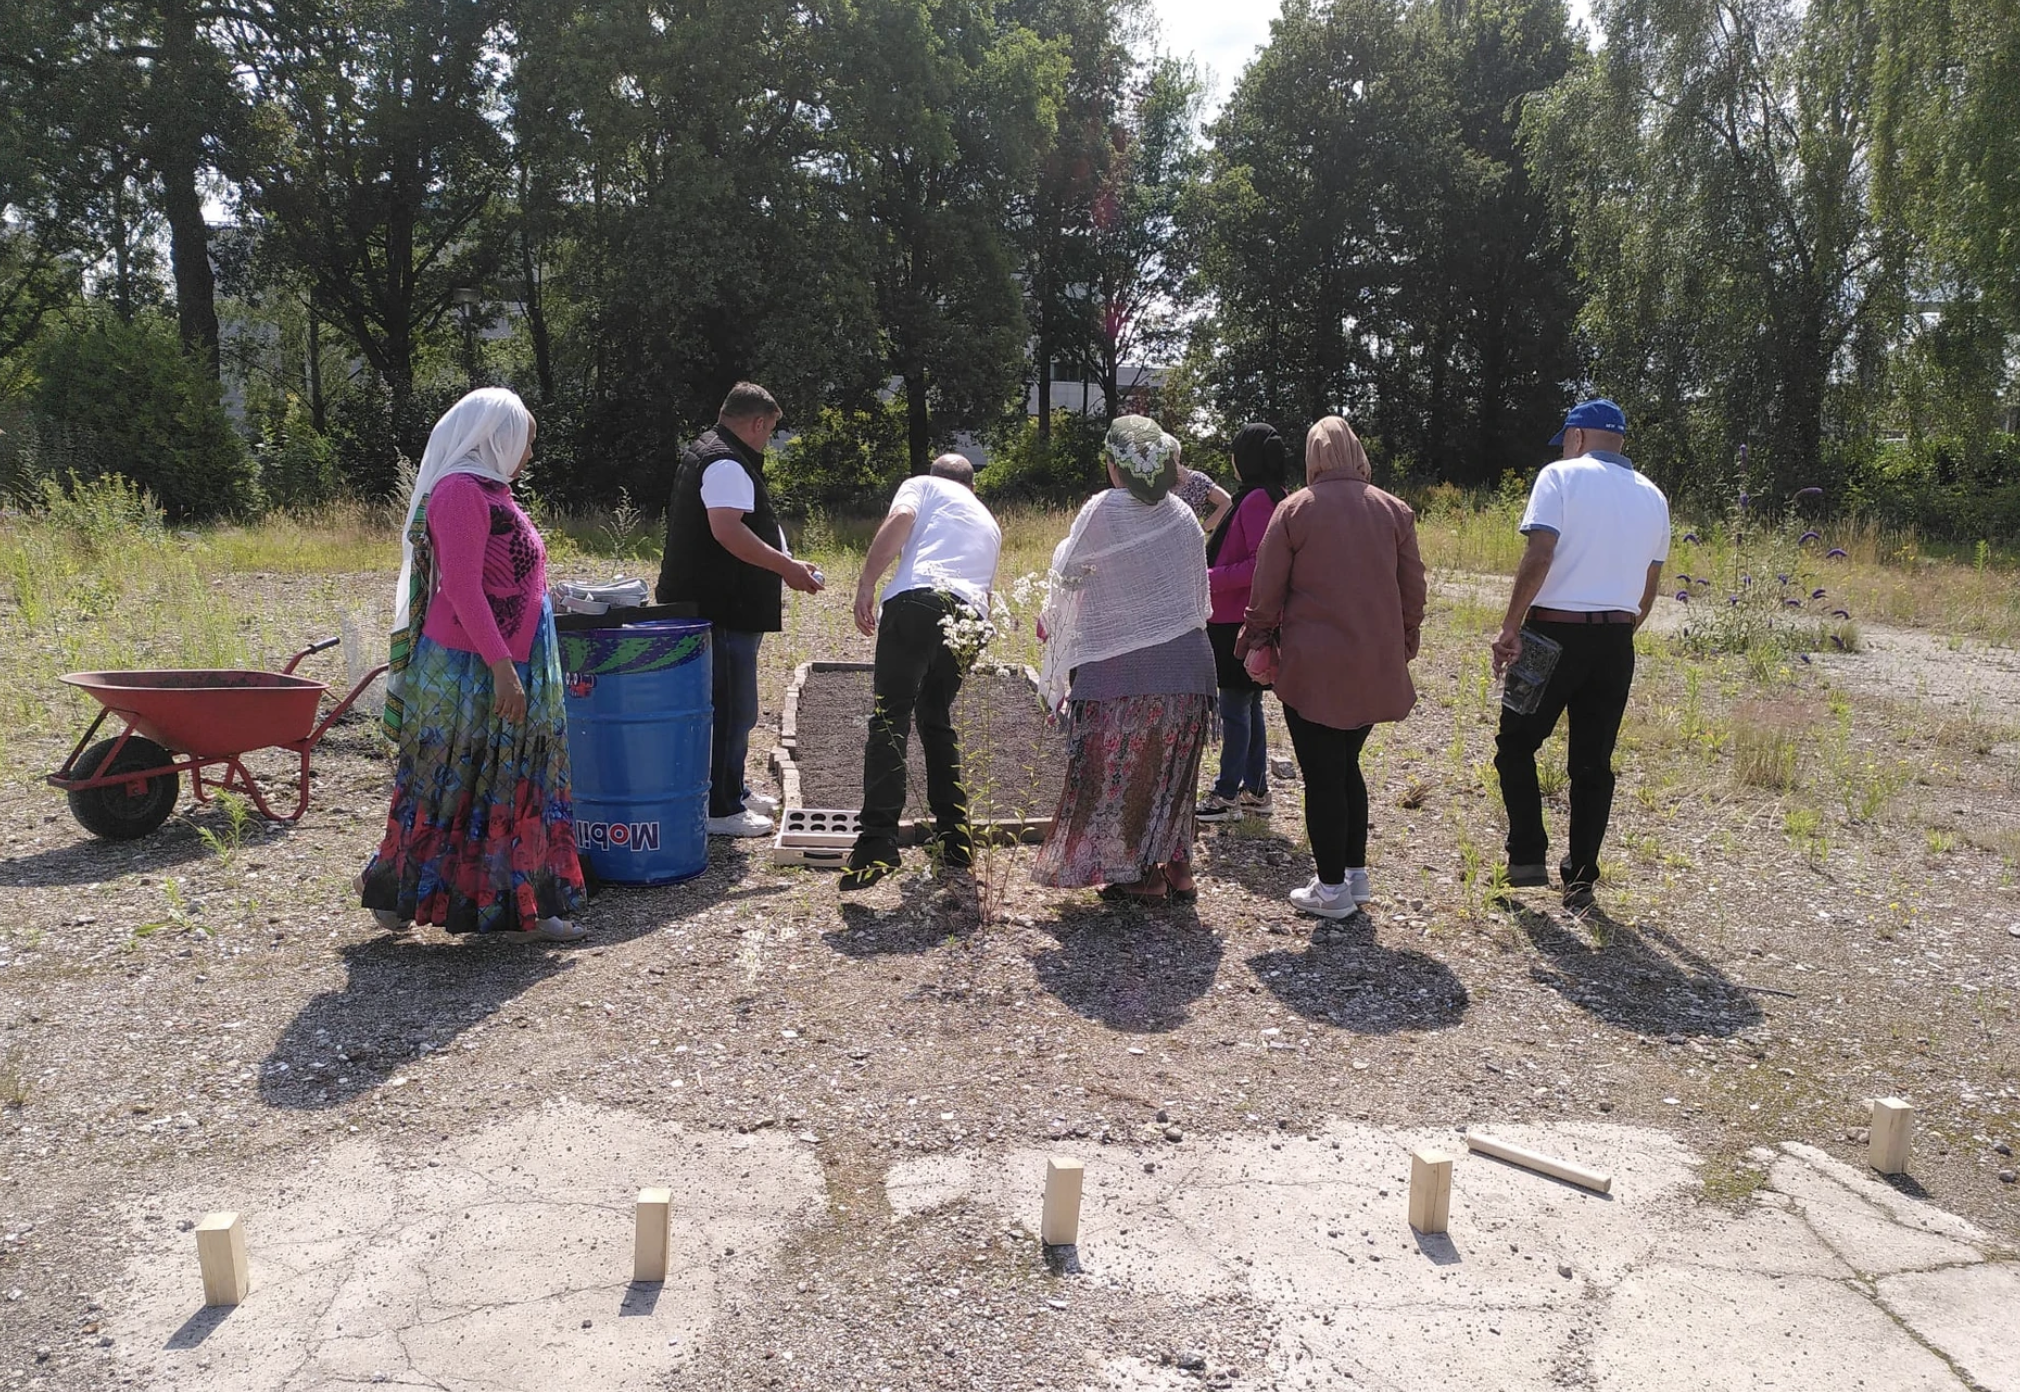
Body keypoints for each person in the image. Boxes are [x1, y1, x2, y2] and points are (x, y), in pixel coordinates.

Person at [360, 388, 587, 942]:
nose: (528, 454)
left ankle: (516, 906)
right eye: (525, 442)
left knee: (504, 784)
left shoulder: (492, 491)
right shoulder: (460, 492)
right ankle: (403, 896)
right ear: (497, 437)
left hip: (501, 661)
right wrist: (504, 668)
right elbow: (461, 588)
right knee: (453, 782)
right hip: (472, 669)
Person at [1237, 416, 1425, 921]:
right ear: (1358, 452)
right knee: (1345, 766)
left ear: (1312, 457)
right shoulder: (1395, 511)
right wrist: (1405, 642)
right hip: (1372, 662)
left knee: (1322, 776)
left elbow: (1266, 592)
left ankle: (1331, 888)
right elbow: (1413, 590)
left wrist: (1252, 642)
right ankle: (1355, 874)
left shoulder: (1294, 510)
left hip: (1312, 668)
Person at [1490, 398, 1669, 912]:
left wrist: (1510, 626)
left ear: (1576, 436)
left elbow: (1540, 553)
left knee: (1516, 743)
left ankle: (1526, 855)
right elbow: (1648, 587)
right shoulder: (1654, 497)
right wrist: (1615, 631)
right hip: (1616, 639)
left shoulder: (1559, 477)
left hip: (1552, 632)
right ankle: (1582, 878)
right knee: (1593, 763)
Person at [1033, 417, 1214, 902]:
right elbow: (1198, 598)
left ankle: (1139, 876)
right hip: (1190, 667)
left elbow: (1068, 571)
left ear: (1115, 465)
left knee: (1117, 772)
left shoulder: (1105, 508)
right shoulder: (1182, 514)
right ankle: (1178, 869)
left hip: (1123, 667)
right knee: (1170, 770)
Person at [656, 382, 824, 838]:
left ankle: (733, 788)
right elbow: (729, 533)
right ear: (756, 422)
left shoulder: (712, 451)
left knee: (736, 707)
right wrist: (787, 568)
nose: (767, 439)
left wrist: (787, 562)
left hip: (719, 605)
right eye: (769, 430)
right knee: (730, 708)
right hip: (721, 608)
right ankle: (720, 807)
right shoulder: (727, 462)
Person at [840, 454, 1004, 890]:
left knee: (890, 719)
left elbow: (901, 518)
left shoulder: (923, 485)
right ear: (972, 486)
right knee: (935, 720)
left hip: (918, 599)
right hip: (971, 616)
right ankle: (954, 838)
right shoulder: (988, 519)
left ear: (938, 477)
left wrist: (866, 582)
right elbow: (986, 584)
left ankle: (877, 842)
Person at [1196, 422, 1289, 823]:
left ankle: (1226, 794)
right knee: (1248, 705)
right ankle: (1255, 790)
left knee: (1234, 706)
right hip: (1247, 617)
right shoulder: (1273, 495)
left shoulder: (1254, 501)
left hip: (1236, 618)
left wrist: (1208, 578)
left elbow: (1259, 565)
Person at [1168, 434, 1233, 535]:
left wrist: (1202, 529)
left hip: (1187, 544)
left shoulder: (1196, 480)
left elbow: (1227, 502)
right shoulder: (1159, 484)